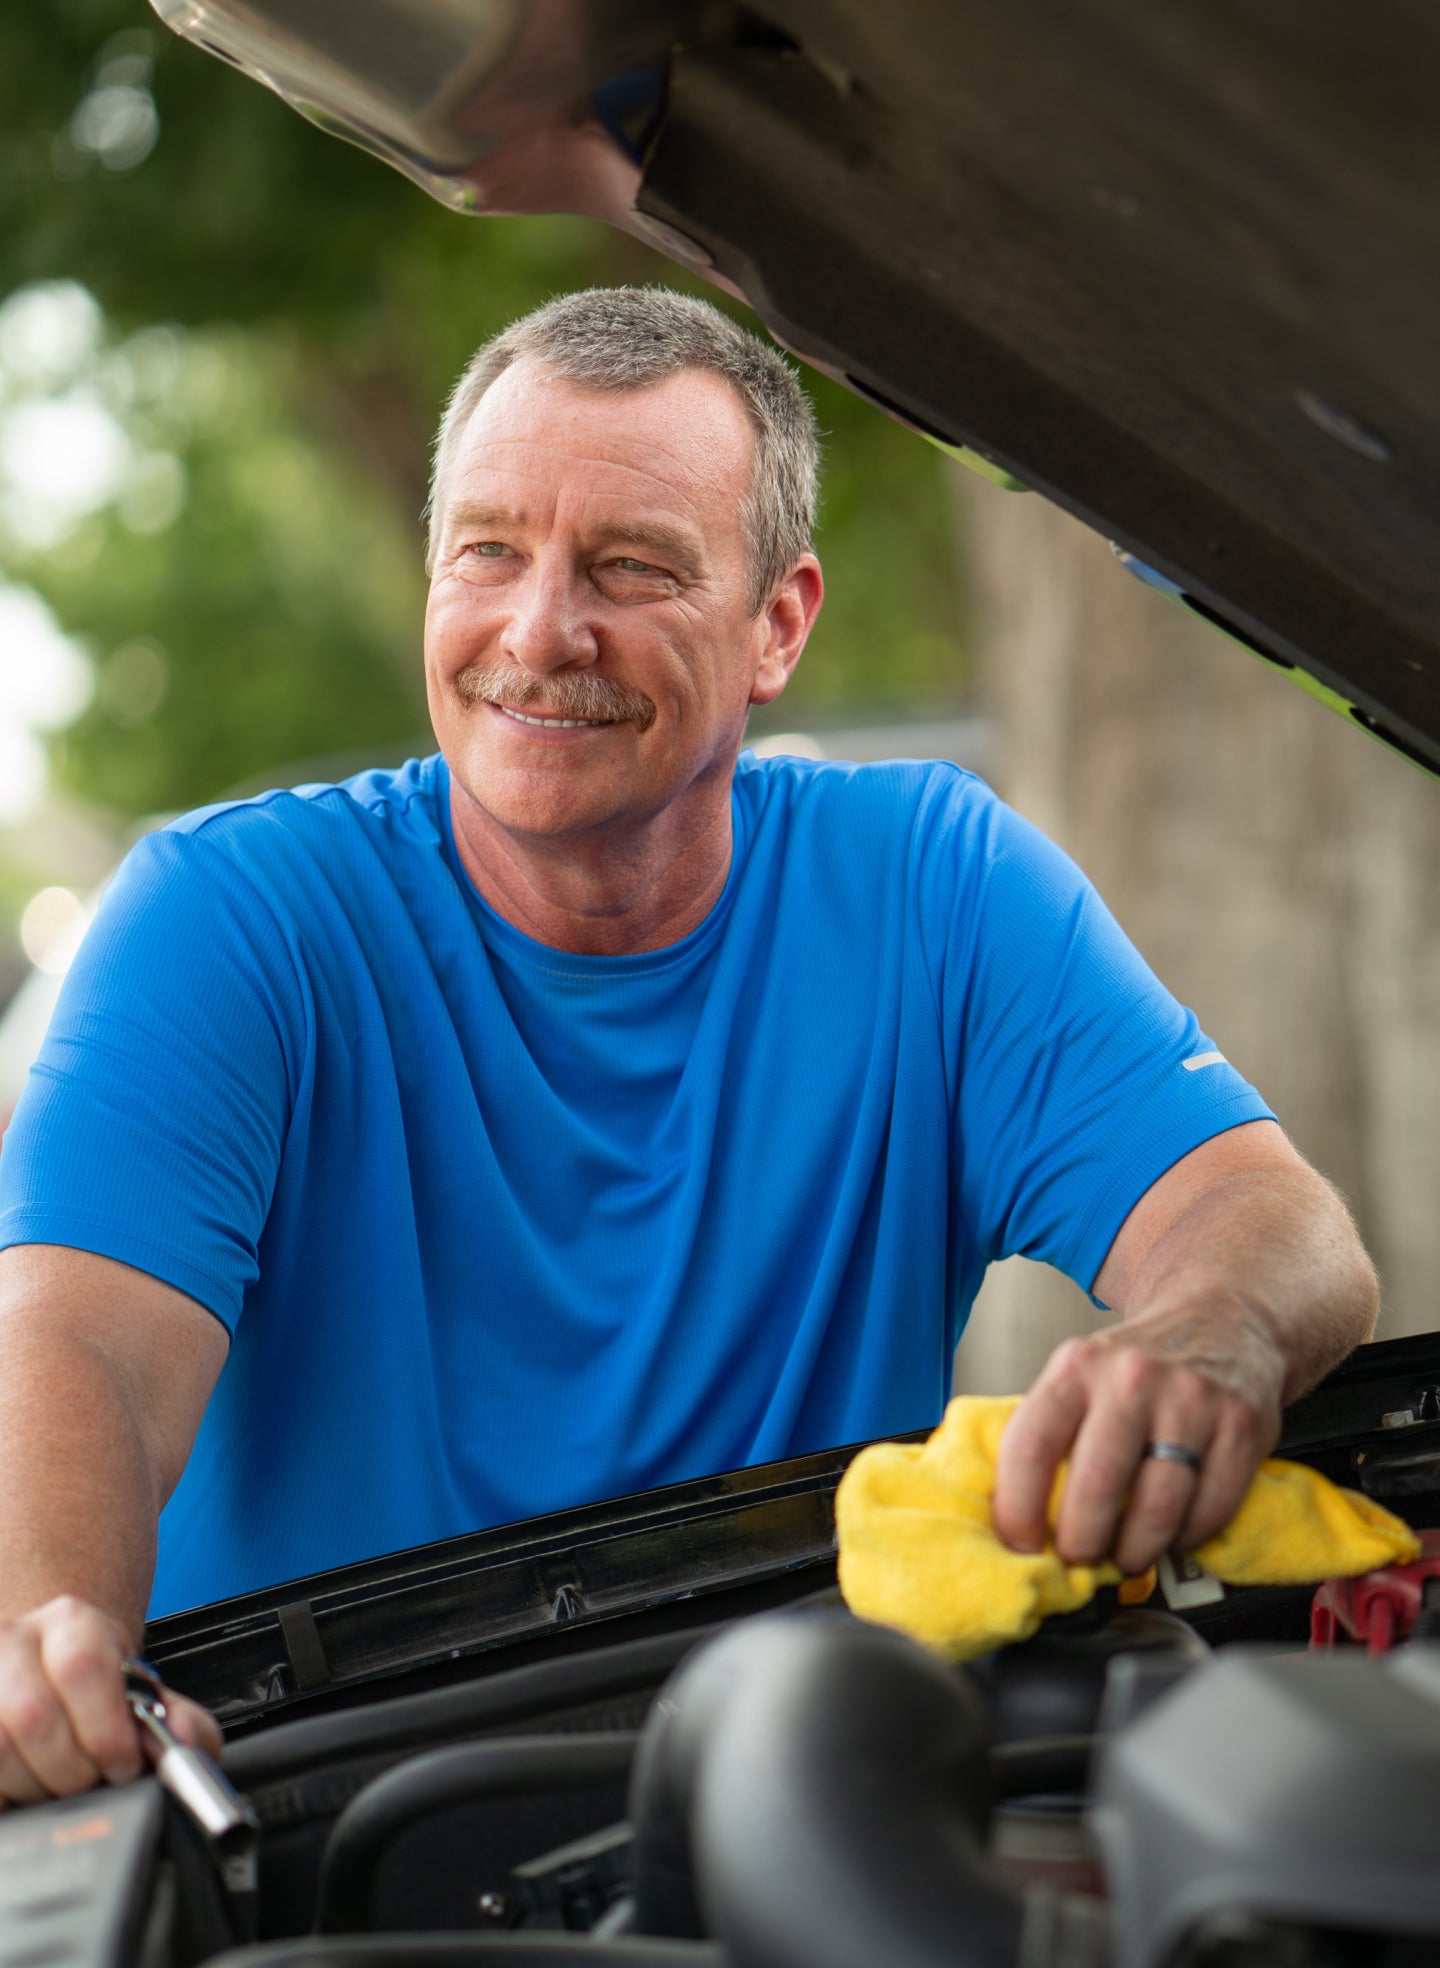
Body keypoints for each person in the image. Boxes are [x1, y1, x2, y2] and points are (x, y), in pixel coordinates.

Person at [0, 288, 1376, 1807]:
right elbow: (82, 1353)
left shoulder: (930, 887)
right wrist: (42, 1641)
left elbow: (1275, 1227)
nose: (539, 629)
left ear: (776, 624)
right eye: (489, 551)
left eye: (632, 566)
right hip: (303, 1806)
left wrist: (1204, 1339)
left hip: (796, 1773)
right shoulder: (231, 918)